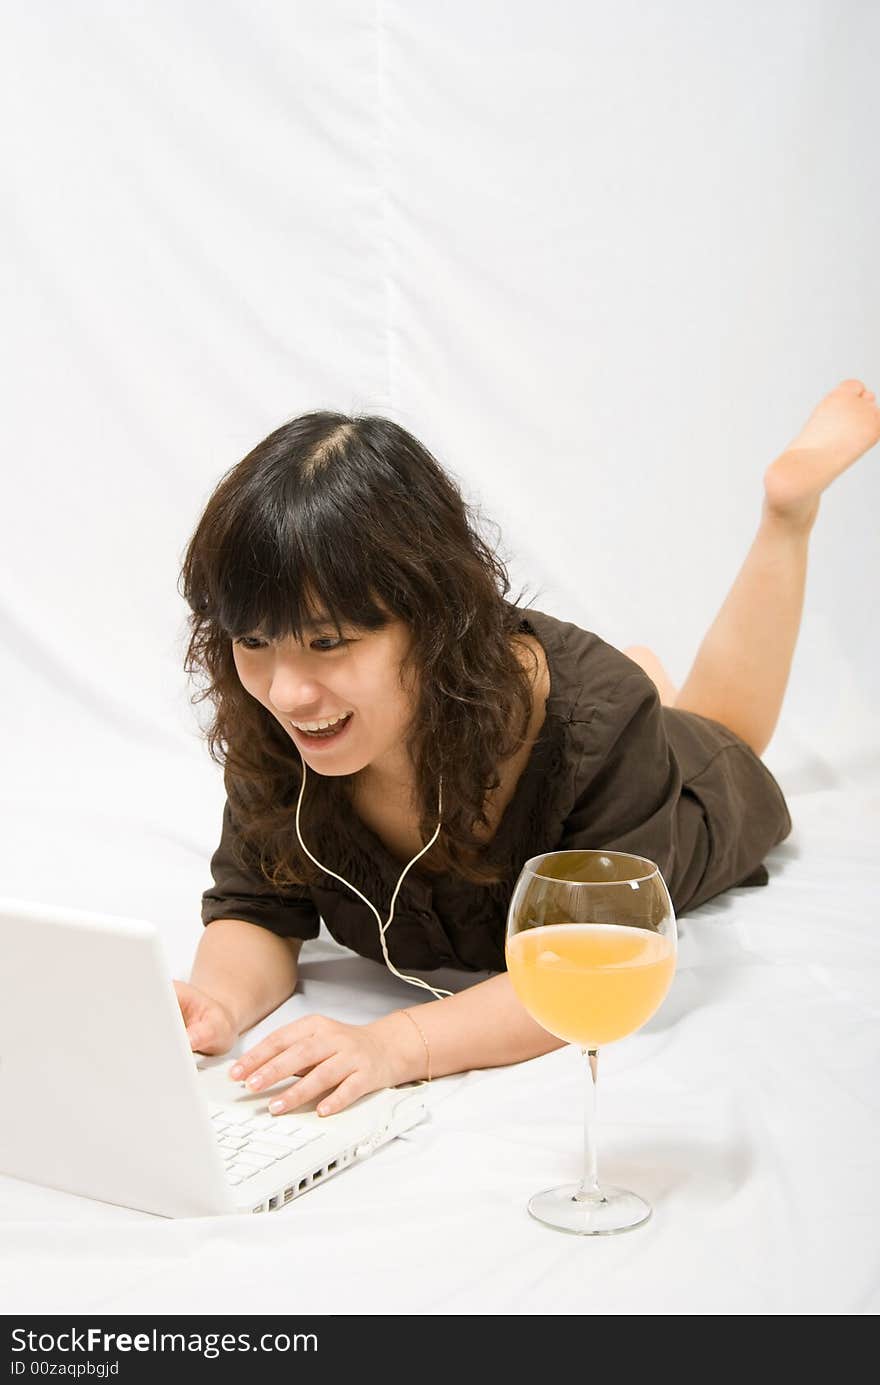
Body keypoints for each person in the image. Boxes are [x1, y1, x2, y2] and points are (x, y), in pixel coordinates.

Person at [173, 378, 879, 1119]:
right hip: (578, 709)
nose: (286, 693)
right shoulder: (284, 717)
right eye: (253, 641)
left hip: (648, 759)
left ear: (433, 617)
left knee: (725, 732)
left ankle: (787, 515)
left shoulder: (594, 728)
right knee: (637, 699)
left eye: (327, 642)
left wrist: (393, 1044)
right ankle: (651, 677)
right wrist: (217, 1003)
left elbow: (589, 969)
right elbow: (257, 905)